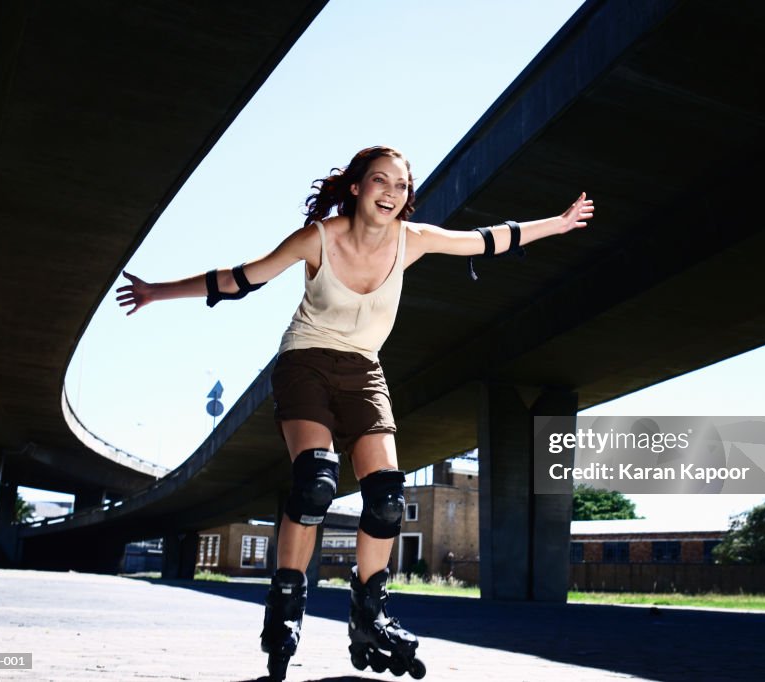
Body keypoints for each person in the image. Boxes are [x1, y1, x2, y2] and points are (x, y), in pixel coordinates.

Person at [117, 145, 593, 680]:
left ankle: (371, 615)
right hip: (305, 364)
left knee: (388, 497)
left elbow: (486, 241)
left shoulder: (412, 241)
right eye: (379, 181)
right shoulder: (318, 238)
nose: (391, 193)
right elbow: (240, 280)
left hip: (364, 372)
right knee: (315, 483)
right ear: (356, 187)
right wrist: (158, 291)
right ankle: (286, 607)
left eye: (401, 185)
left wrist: (558, 223)